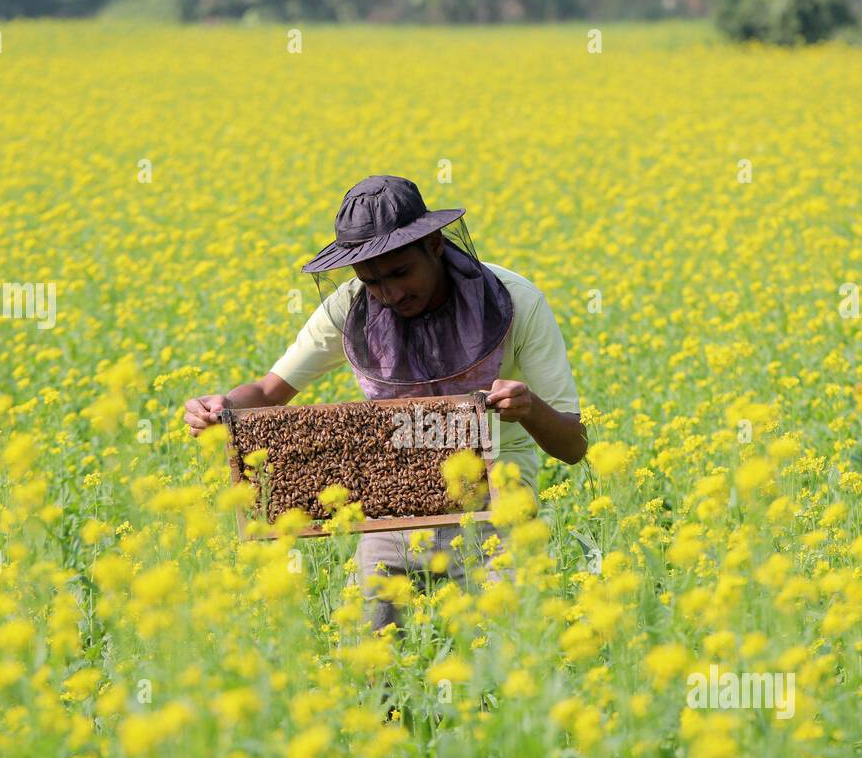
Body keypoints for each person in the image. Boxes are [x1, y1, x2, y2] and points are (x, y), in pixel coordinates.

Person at [185, 175, 586, 631]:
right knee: (369, 648)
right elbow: (268, 392)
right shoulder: (350, 307)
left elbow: (573, 445)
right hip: (394, 497)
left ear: (434, 245)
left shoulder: (516, 301)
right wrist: (221, 407)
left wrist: (528, 407)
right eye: (371, 281)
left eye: (399, 273)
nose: (389, 294)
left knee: (511, 642)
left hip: (496, 491)